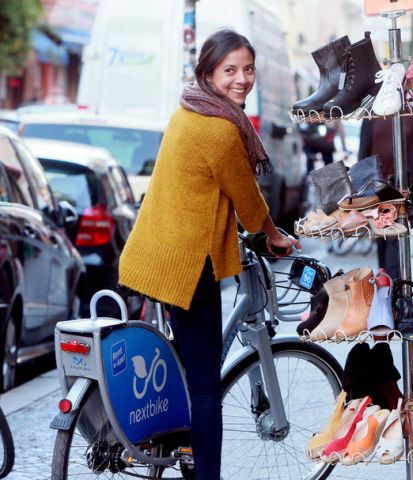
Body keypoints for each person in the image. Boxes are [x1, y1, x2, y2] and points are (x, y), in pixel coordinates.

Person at [118, 29, 300, 479]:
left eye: (248, 69)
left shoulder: (189, 109)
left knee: (185, 367)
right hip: (185, 265)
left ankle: (176, 446)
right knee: (204, 387)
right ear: (208, 73)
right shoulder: (220, 130)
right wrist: (273, 235)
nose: (242, 79)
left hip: (153, 255)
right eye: (230, 70)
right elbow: (247, 198)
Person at [357, 115, 413, 279]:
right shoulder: (372, 115)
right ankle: (387, 287)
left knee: (395, 240)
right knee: (381, 239)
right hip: (375, 190)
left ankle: (395, 287)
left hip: (400, 191)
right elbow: (363, 152)